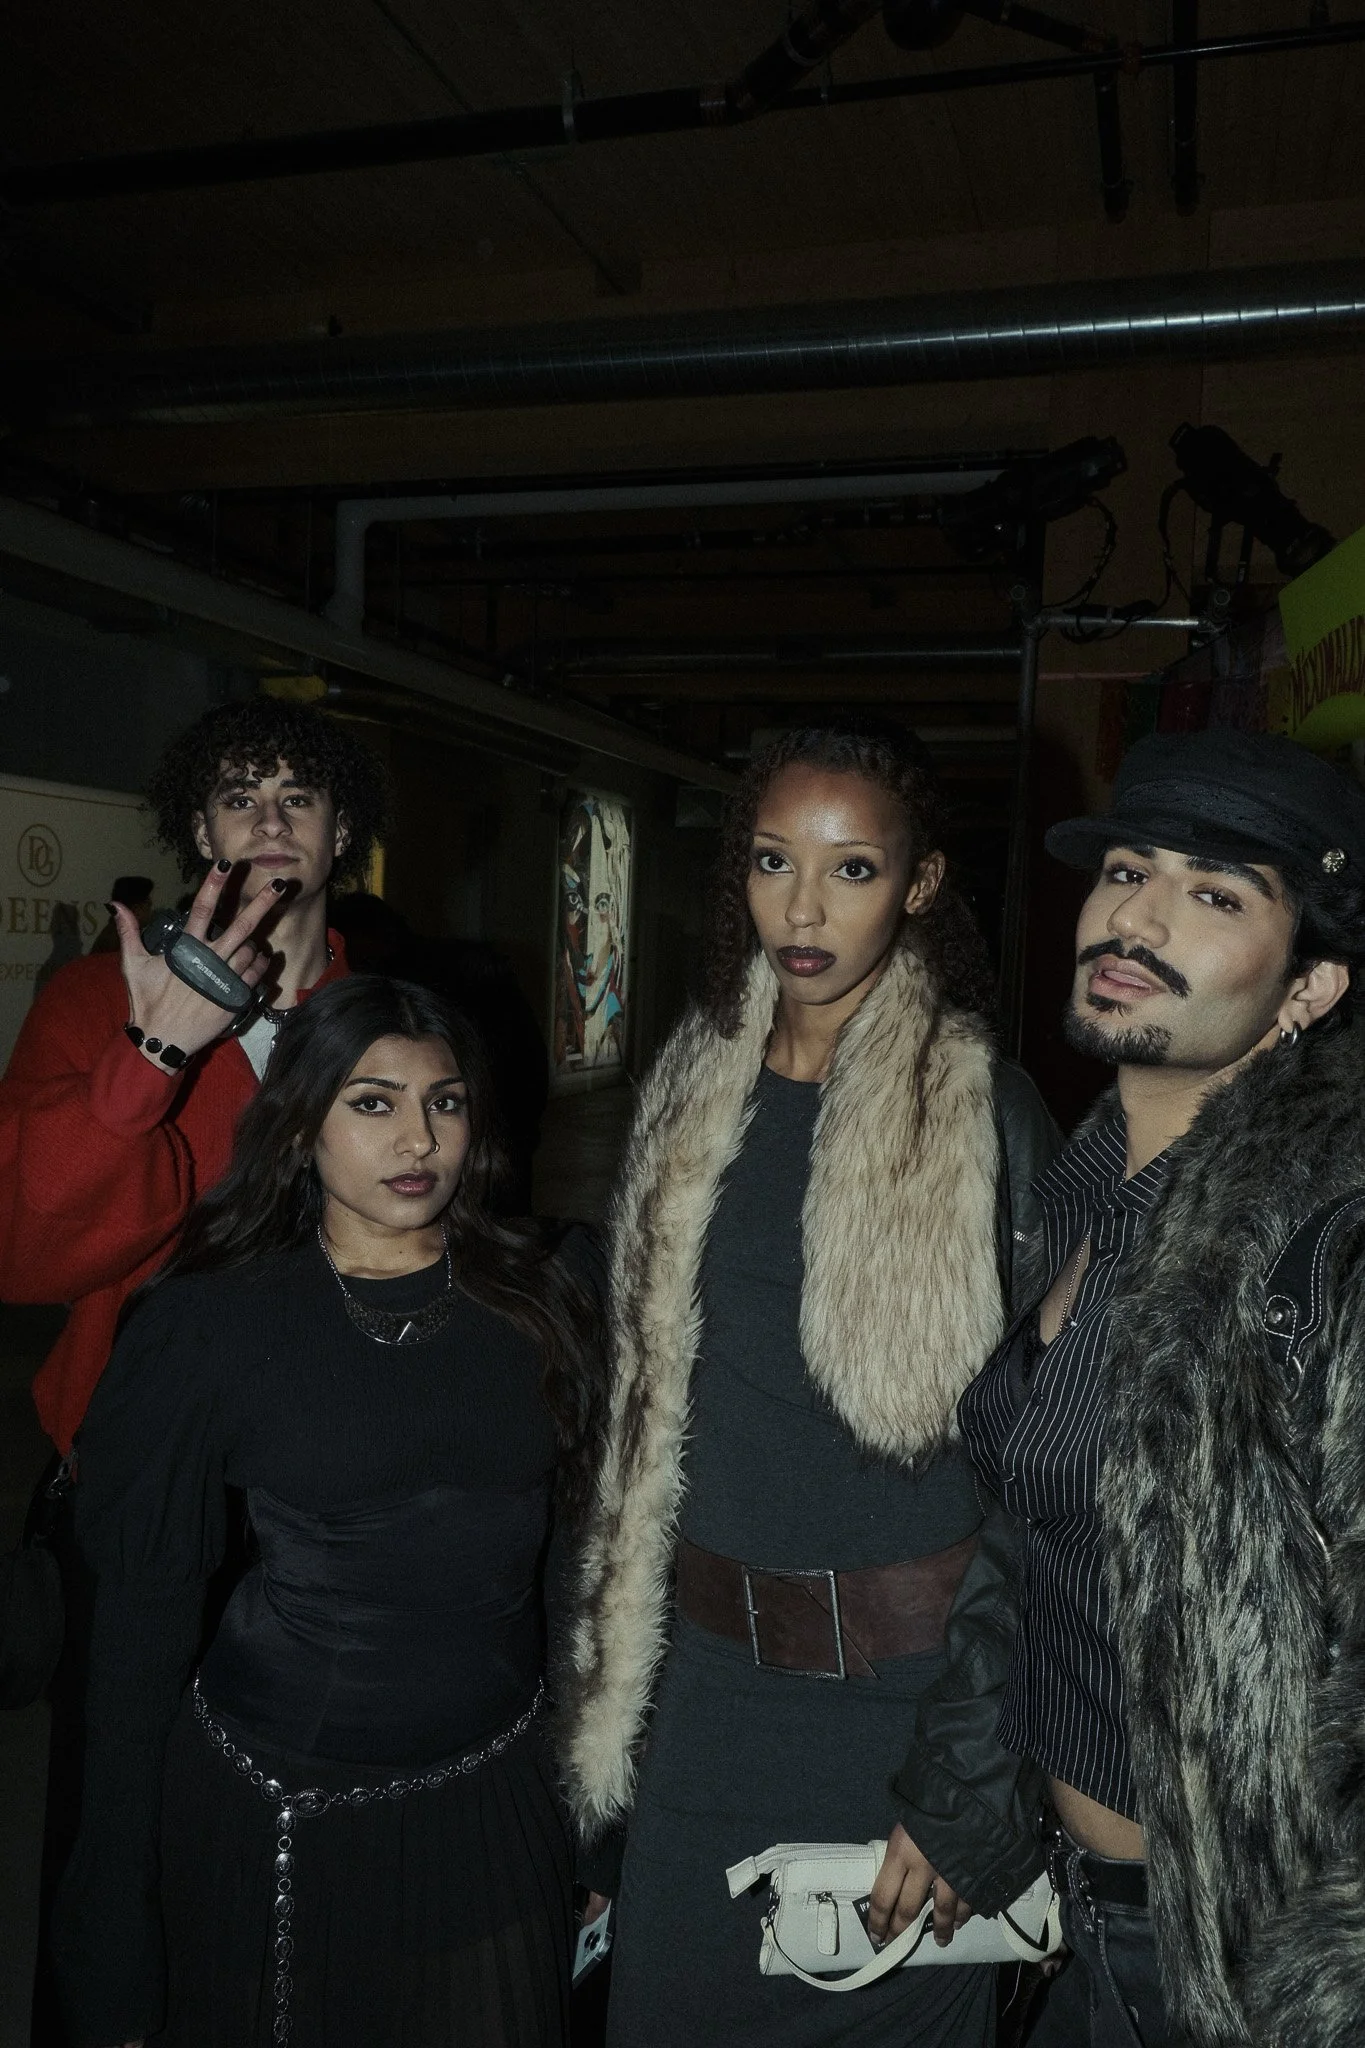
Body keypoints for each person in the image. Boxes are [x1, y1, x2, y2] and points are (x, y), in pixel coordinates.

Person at [562, 722, 1059, 2047]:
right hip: (709, 1699)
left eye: (852, 870)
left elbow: (1055, 1472)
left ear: (921, 885)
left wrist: (972, 1784)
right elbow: (641, 1435)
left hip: (905, 1719)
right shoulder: (688, 1088)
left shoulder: (987, 1118)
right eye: (776, 860)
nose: (803, 903)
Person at [893, 728, 1365, 2048]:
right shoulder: (1083, 1183)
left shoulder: (1322, 1242)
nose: (1136, 915)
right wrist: (967, 1789)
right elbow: (1038, 1539)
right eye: (1127, 869)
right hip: (1085, 1905)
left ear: (1309, 986)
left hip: (1243, 1962)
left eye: (1216, 896)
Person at [52, 975, 604, 2048]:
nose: (418, 1137)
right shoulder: (213, 1324)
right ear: (301, 1123)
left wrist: (599, 1816)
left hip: (491, 1797)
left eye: (445, 1101)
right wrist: (112, 1922)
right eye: (373, 1101)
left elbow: (585, 1575)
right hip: (275, 1812)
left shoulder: (549, 1292)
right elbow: (135, 1642)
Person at [0, 696, 386, 2044]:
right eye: (239, 795)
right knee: (122, 1843)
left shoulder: (391, 1025)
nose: (270, 820)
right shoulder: (98, 1000)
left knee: (308, 1837)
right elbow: (26, 1250)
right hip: (145, 1500)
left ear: (344, 834)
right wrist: (153, 1053)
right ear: (197, 831)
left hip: (339, 1510)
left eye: (299, 796)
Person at [89, 875, 155, 954]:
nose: (150, 911)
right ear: (137, 908)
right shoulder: (121, 940)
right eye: (148, 906)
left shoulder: (115, 933)